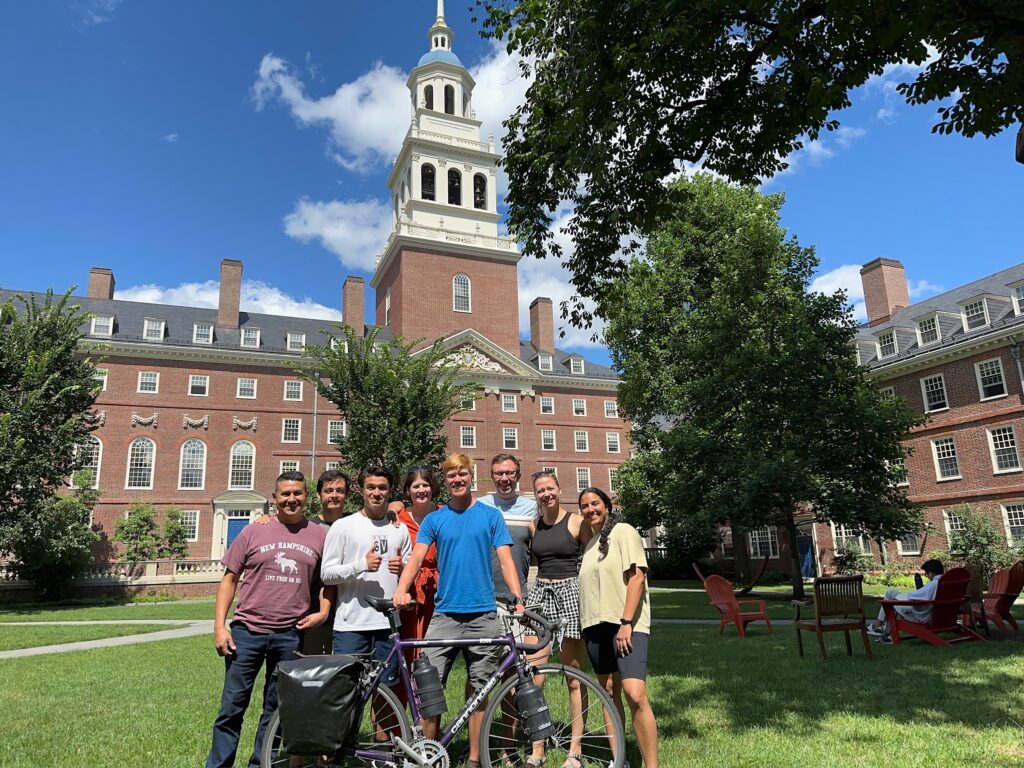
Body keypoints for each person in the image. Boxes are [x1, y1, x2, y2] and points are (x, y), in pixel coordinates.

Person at [394, 452, 524, 768]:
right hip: (444, 615)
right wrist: (401, 589)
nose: (457, 479)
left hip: (483, 615)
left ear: (471, 476)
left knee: (480, 691)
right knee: (428, 687)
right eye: (451, 475)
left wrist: (518, 598)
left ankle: (475, 758)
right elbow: (416, 558)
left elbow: (506, 560)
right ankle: (428, 753)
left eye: (462, 474)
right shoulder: (435, 520)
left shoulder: (490, 516)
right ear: (446, 481)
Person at [205, 471, 331, 768]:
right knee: (232, 707)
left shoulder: (319, 535)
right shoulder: (253, 531)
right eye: (285, 494)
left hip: (290, 634)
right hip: (246, 632)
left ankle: (261, 764)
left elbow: (328, 581)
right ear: (274, 498)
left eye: (298, 493)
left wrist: (324, 611)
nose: (291, 499)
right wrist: (220, 626)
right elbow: (229, 579)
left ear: (306, 497)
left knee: (276, 710)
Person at [578, 487, 658, 768]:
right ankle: (618, 760)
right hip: (594, 628)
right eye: (585, 506)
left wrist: (626, 622)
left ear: (607, 506)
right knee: (608, 692)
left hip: (627, 624)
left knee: (635, 694)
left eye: (595, 503)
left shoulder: (624, 531)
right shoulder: (590, 546)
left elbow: (636, 577)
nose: (590, 509)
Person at [523, 469, 592, 768]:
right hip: (540, 595)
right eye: (540, 490)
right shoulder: (533, 526)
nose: (546, 494)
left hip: (570, 594)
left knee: (574, 677)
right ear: (536, 494)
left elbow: (592, 558)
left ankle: (575, 750)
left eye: (550, 488)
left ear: (559, 489)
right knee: (532, 677)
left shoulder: (576, 522)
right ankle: (537, 749)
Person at [321, 466, 411, 691]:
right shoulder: (344, 526)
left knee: (386, 695)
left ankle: (380, 729)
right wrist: (361, 565)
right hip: (351, 626)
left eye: (382, 488)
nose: (376, 493)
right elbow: (327, 574)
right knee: (347, 693)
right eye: (371, 487)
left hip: (389, 625)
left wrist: (402, 568)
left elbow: (410, 570)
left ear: (390, 492)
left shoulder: (399, 528)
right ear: (361, 490)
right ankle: (348, 729)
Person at [478, 454, 536, 625]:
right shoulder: (479, 506)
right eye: (499, 474)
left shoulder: (532, 508)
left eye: (510, 473)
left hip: (518, 598)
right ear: (492, 476)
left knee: (517, 650)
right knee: (485, 651)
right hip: (484, 596)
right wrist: (396, 507)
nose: (504, 478)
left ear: (518, 476)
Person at [395, 465, 442, 670]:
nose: (421, 490)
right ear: (408, 491)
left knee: (433, 651)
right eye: (416, 486)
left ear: (433, 488)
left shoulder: (444, 513)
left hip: (438, 589)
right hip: (409, 589)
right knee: (407, 646)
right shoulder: (398, 518)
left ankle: (426, 696)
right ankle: (403, 697)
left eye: (426, 485)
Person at [868, 559, 945, 640]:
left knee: (890, 603)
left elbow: (915, 595)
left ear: (931, 573)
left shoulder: (934, 584)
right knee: (891, 593)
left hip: (923, 616)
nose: (928, 577)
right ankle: (879, 627)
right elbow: (920, 595)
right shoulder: (946, 582)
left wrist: (896, 599)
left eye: (927, 574)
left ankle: (883, 631)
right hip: (935, 614)